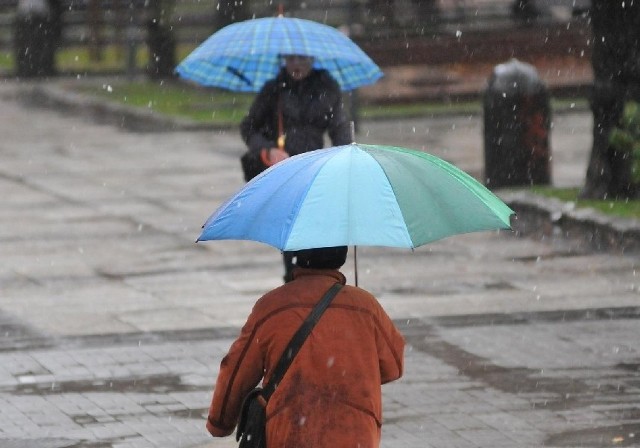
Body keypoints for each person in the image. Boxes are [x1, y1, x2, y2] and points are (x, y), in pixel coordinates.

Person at [205, 246, 405, 447]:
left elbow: (237, 369)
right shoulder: (366, 305)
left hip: (290, 432)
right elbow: (393, 367)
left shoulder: (271, 306)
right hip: (354, 434)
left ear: (295, 256)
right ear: (342, 256)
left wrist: (220, 422)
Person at [240, 55, 352, 282]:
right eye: (290, 59)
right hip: (284, 170)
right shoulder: (274, 90)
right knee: (289, 228)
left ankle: (312, 278)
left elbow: (339, 126)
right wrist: (268, 149)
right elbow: (249, 127)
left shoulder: (327, 88)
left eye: (301, 59)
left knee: (314, 226)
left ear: (312, 58)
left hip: (315, 168)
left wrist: (345, 156)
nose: (296, 64)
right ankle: (293, 276)